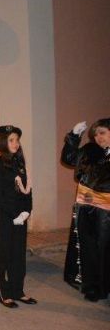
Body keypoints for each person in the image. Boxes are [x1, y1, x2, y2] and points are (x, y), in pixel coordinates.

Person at [0, 125, 36, 309]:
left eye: (17, 140)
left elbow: (27, 189)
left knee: (18, 255)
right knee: (3, 255)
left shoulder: (19, 162)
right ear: (2, 142)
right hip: (4, 215)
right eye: (11, 140)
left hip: (20, 216)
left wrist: (27, 211)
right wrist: (14, 214)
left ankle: (18, 291)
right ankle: (2, 293)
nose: (16, 143)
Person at [61, 118, 110, 302]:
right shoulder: (90, 150)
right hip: (86, 207)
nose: (98, 137)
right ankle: (92, 287)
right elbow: (68, 159)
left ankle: (105, 285)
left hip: (106, 210)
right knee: (88, 247)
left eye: (102, 133)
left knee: (105, 247)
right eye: (95, 134)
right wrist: (73, 137)